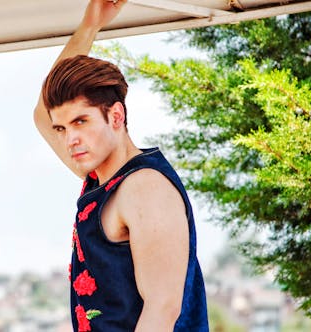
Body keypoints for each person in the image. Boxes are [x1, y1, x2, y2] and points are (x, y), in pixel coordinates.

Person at [33, 0, 209, 331]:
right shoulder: (102, 178)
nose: (70, 138)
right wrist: (90, 26)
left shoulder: (145, 187)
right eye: (63, 128)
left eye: (81, 121)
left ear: (116, 116)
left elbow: (162, 310)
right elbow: (43, 115)